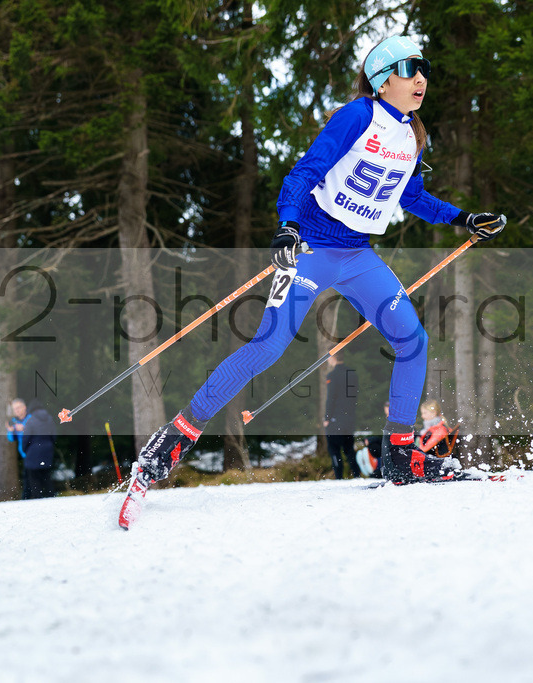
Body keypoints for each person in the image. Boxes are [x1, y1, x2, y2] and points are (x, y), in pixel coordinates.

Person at [121, 35, 507, 519]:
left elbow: (412, 197)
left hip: (358, 255)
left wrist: (464, 219)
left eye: (424, 69)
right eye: (410, 70)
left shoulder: (412, 135)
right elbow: (304, 172)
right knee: (270, 345)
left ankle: (400, 454)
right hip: (312, 249)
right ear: (382, 80)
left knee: (412, 339)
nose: (421, 79)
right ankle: (171, 443)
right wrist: (287, 225)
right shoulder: (357, 116)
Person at [324, 353, 359, 479]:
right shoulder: (352, 374)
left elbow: (331, 398)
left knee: (334, 448)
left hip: (336, 418)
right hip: (349, 417)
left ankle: (339, 477)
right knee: (349, 449)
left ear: (333, 357)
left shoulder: (332, 375)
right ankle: (356, 474)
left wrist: (327, 417)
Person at [21, 398, 57, 499]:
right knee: (46, 475)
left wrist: (25, 449)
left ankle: (38, 497)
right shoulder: (49, 419)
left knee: (33, 477)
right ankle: (51, 496)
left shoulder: (31, 420)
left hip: (33, 452)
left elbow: (26, 438)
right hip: (47, 450)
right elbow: (53, 435)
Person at [416, 400, 460, 469]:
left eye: (425, 413)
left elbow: (426, 449)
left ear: (433, 413)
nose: (422, 416)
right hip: (432, 461)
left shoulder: (440, 429)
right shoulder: (430, 429)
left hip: (435, 463)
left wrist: (414, 451)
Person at [358, 401, 391, 478]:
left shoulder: (396, 420)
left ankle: (381, 469)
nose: (388, 409)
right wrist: (368, 439)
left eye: (389, 407)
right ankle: (377, 469)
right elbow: (377, 434)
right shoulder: (381, 420)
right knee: (372, 447)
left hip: (391, 444)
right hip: (382, 443)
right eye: (386, 407)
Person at [7, 398, 32, 496]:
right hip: (25, 454)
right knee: (27, 479)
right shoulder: (14, 421)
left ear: (24, 407)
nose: (16, 411)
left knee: (34, 479)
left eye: (18, 408)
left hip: (34, 452)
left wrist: (24, 429)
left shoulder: (31, 418)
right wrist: (11, 431)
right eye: (14, 409)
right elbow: (11, 439)